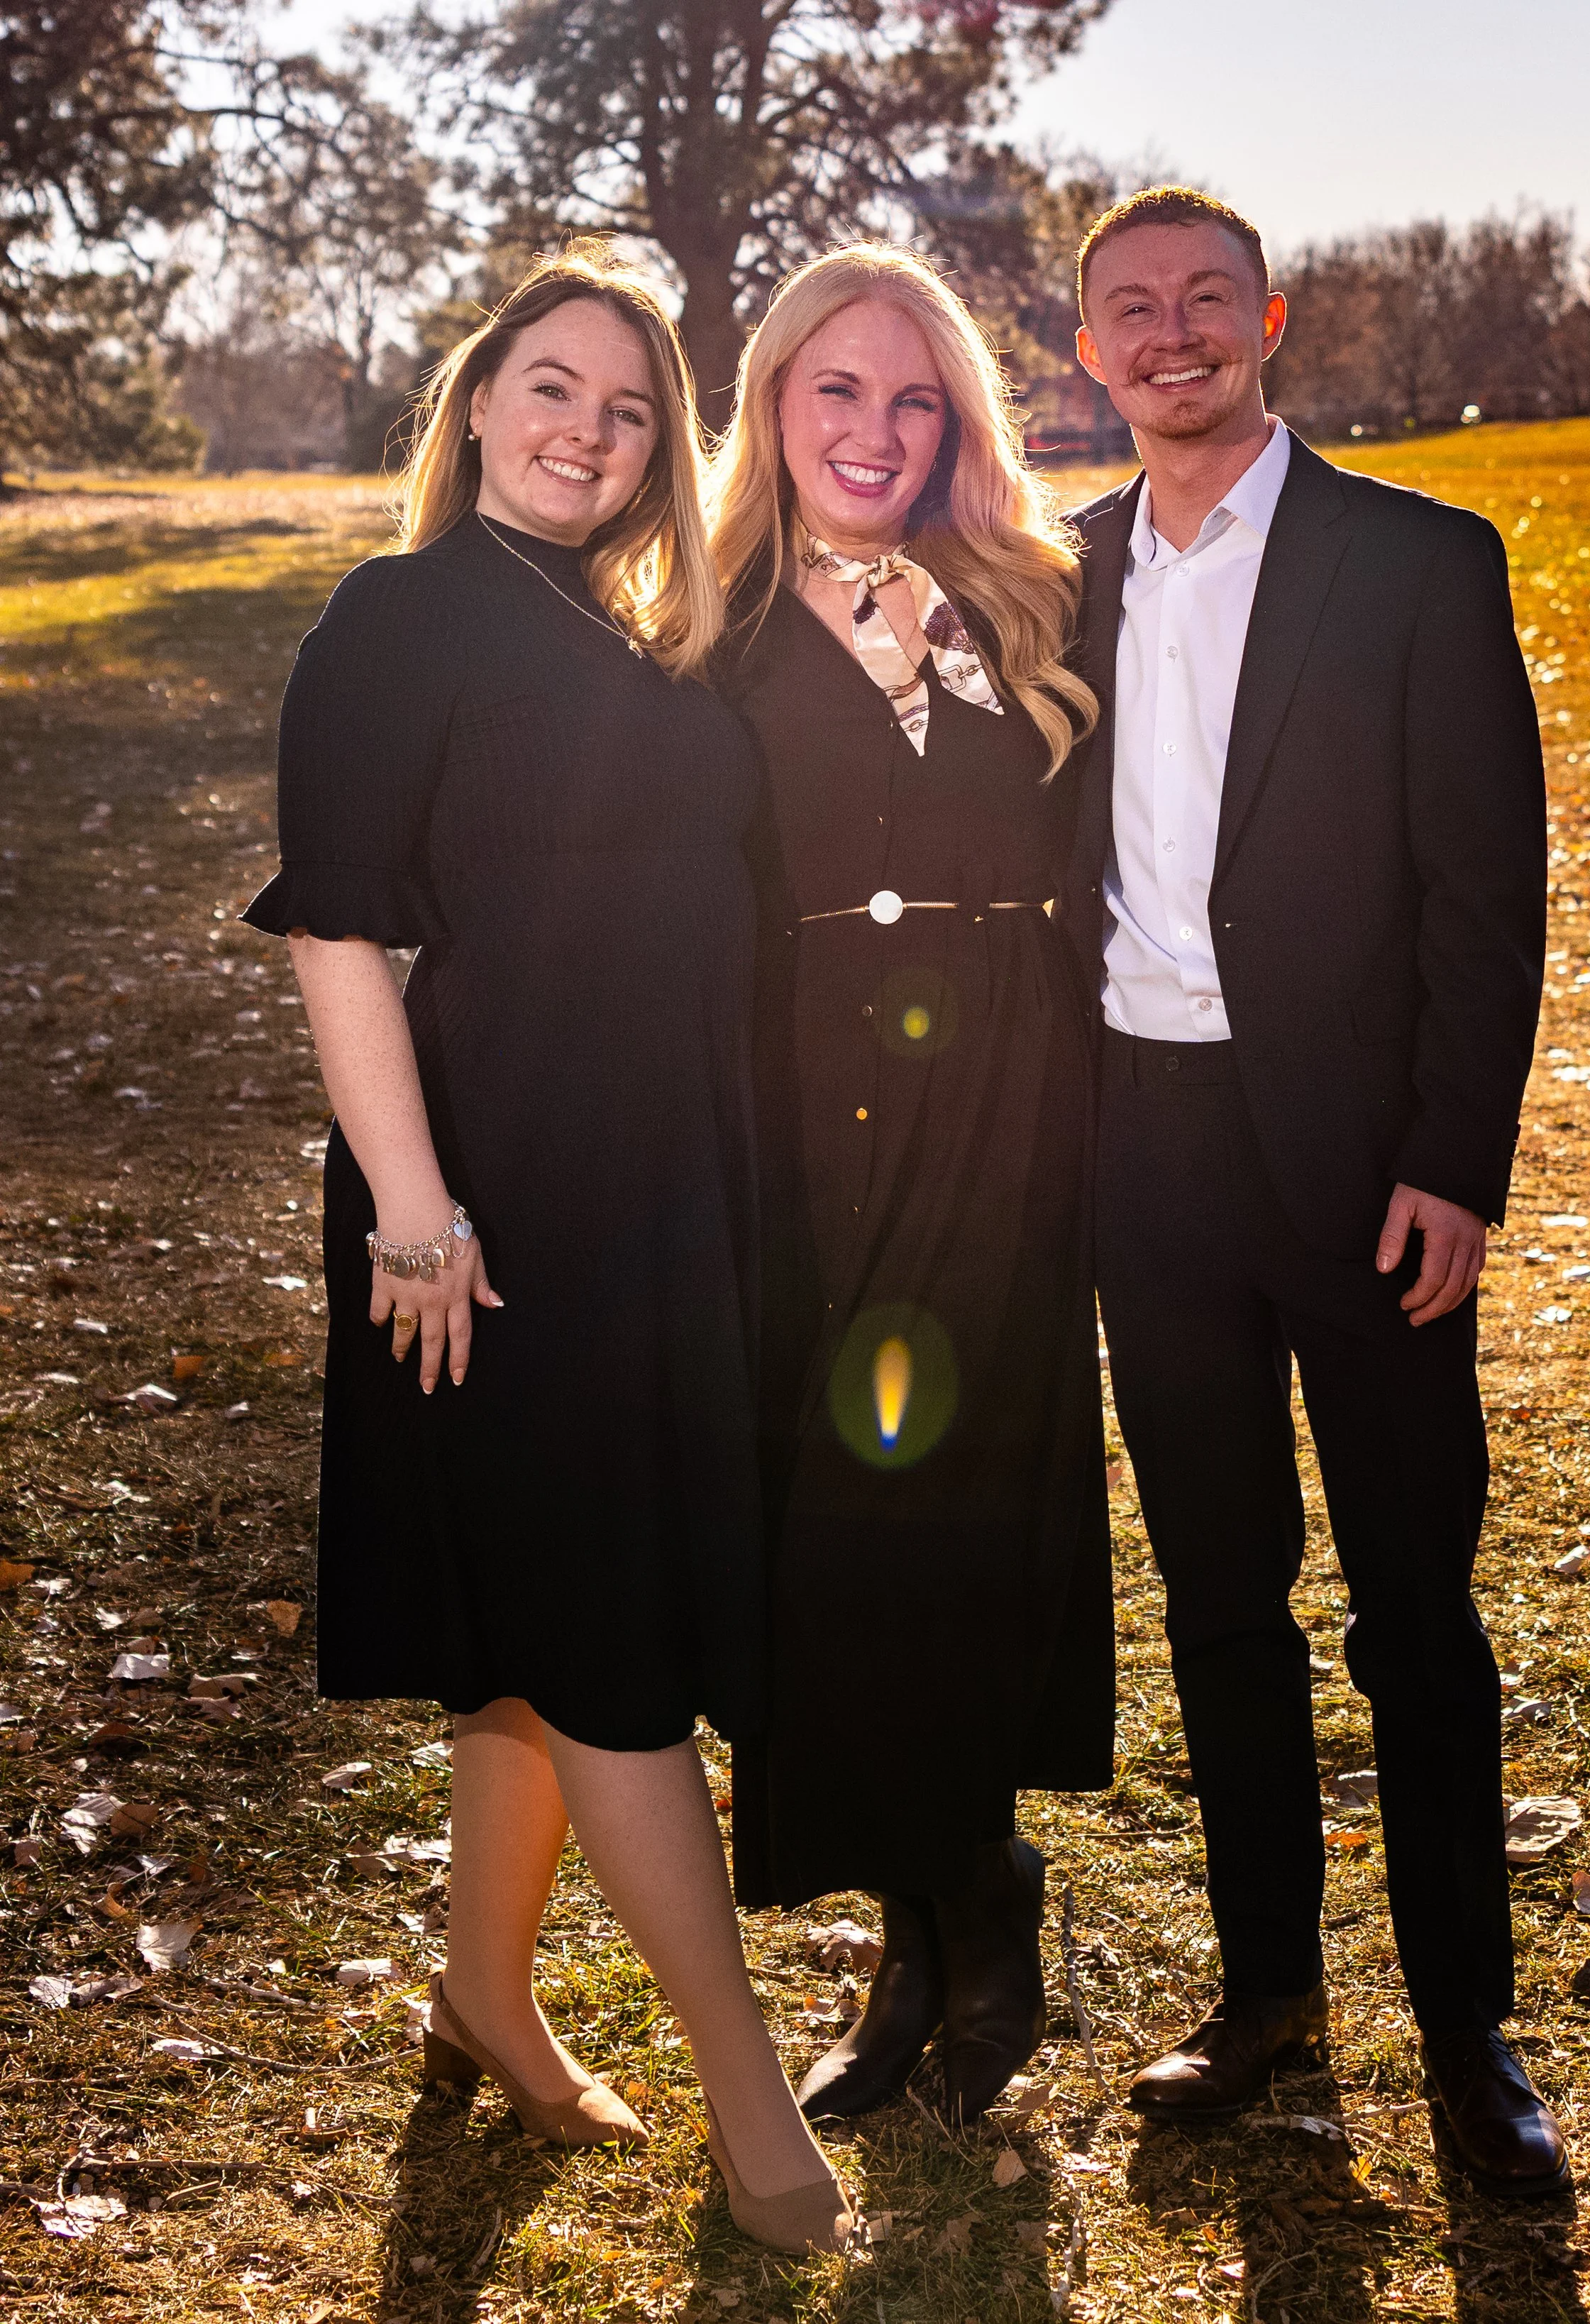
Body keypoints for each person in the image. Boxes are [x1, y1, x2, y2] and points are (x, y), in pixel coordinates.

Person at [241, 243, 850, 2254]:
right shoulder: (398, 617)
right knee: (604, 1644)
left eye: (624, 408)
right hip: (486, 1200)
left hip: (666, 1183)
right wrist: (414, 1212)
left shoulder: (629, 630)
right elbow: (336, 925)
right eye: (551, 388)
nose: (585, 429)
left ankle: (483, 1996)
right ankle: (752, 2114)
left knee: (537, 1622)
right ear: (480, 400)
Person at [1060, 187, 1567, 2196]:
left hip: (1361, 1170)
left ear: (1264, 321)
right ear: (1081, 346)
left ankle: (1467, 2028)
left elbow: (1485, 887)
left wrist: (1456, 1160)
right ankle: (1266, 1990)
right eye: (1129, 310)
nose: (1170, 334)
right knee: (1215, 1596)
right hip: (1142, 1155)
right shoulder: (1050, 572)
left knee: (1413, 1611)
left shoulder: (1414, 563)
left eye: (1204, 300)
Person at [708, 243, 1116, 2125]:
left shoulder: (1031, 603)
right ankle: (930, 1922)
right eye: (835, 393)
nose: (873, 431)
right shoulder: (701, 632)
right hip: (801, 1133)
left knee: (960, 1510)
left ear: (956, 419)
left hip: (1005, 1119)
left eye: (913, 397)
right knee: (834, 1532)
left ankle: (972, 1909)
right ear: (772, 410)